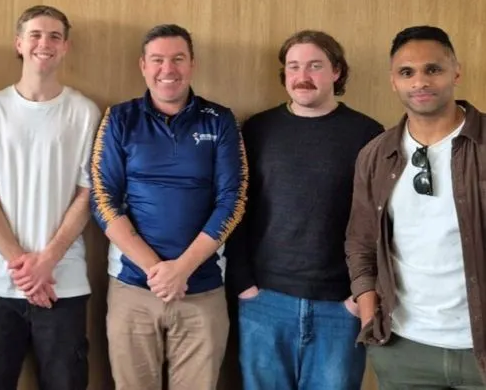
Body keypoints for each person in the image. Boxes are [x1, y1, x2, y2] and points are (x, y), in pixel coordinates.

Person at [90, 23, 246, 390]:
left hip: (203, 289)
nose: (168, 69)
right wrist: (156, 270)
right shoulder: (119, 118)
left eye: (178, 59)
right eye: (157, 60)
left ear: (192, 64)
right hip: (132, 287)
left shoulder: (221, 120)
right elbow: (103, 199)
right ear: (143, 65)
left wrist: (183, 270)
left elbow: (233, 201)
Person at [225, 30, 383, 390]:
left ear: (337, 72)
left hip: (340, 307)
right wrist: (243, 284)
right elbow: (236, 207)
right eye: (293, 67)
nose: (302, 76)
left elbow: (380, 221)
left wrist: (359, 298)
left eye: (315, 66)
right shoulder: (258, 129)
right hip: (264, 301)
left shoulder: (368, 134)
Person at [0, 5, 100, 390]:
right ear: (19, 43)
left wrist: (48, 262)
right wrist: (25, 268)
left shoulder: (84, 112)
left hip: (64, 283)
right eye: (36, 35)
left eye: (55, 36)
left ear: (66, 47)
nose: (45, 43)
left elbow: (86, 196)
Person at [346, 25, 486, 389]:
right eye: (407, 72)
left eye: (433, 69)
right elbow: (360, 242)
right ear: (393, 81)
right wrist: (368, 317)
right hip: (405, 349)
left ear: (456, 72)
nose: (420, 82)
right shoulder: (376, 155)